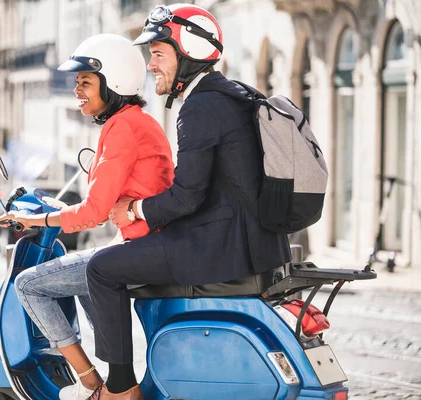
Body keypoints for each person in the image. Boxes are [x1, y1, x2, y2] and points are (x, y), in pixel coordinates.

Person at [85, 4, 292, 399]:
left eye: (159, 54)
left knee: (102, 268)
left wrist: (132, 210)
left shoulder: (199, 108)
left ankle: (120, 388)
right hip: (256, 245)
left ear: (189, 53)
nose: (150, 65)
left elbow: (186, 196)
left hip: (219, 249)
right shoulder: (235, 95)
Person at [0, 33, 174, 400]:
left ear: (114, 82)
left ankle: (93, 382)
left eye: (86, 82)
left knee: (29, 285)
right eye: (77, 82)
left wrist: (36, 222)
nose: (77, 89)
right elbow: (106, 203)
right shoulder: (135, 121)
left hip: (142, 247)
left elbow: (93, 212)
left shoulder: (123, 128)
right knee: (80, 272)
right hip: (147, 241)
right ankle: (116, 376)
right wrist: (62, 212)